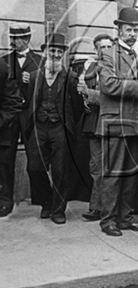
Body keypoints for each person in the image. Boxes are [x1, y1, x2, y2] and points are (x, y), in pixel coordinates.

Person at [96, 8, 138, 236]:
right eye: (129, 29)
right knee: (112, 174)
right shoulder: (108, 53)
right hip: (113, 124)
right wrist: (137, 86)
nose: (133, 34)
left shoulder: (135, 56)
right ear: (119, 31)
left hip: (132, 124)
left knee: (130, 174)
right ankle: (107, 220)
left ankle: (125, 218)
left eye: (136, 30)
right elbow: (108, 85)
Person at [25, 33, 80, 224]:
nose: (55, 54)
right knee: (34, 168)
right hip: (39, 127)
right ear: (45, 52)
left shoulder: (71, 78)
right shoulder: (34, 77)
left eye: (59, 51)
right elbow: (30, 103)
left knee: (60, 170)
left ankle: (58, 210)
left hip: (60, 128)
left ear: (63, 54)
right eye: (52, 50)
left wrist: (66, 124)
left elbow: (77, 108)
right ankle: (47, 202)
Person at [0, 23, 41, 217]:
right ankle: (6, 200)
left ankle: (41, 198)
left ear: (27, 39)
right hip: (9, 118)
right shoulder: (4, 61)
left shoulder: (40, 61)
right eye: (12, 39)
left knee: (35, 157)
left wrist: (32, 80)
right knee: (5, 159)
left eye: (17, 39)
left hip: (30, 115)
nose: (14, 42)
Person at [77, 34, 114, 221]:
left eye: (108, 47)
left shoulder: (117, 68)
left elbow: (112, 98)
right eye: (101, 47)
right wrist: (84, 98)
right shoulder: (90, 67)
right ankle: (97, 207)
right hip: (93, 123)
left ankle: (106, 208)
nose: (105, 51)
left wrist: (89, 95)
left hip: (111, 124)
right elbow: (83, 94)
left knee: (111, 167)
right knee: (96, 167)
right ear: (95, 49)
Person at [0, 59, 22, 216]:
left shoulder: (3, 68)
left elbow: (13, 103)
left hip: (3, 132)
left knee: (3, 168)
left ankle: (5, 201)